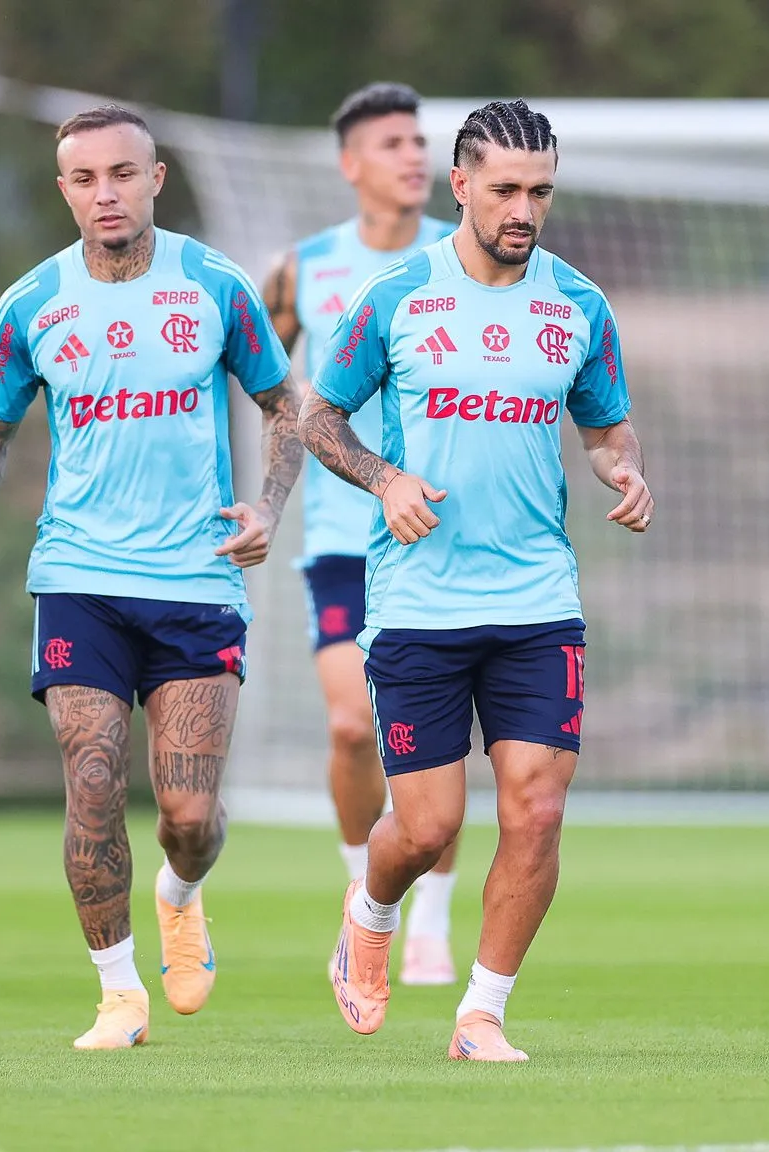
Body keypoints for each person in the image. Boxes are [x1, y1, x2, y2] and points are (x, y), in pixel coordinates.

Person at [0, 103, 301, 1050]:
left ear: (156, 179)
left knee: (187, 813)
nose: (105, 192)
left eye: (122, 174)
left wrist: (267, 506)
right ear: (63, 189)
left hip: (195, 580)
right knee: (91, 779)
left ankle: (181, 893)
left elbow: (286, 404)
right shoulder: (35, 304)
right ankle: (117, 994)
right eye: (84, 178)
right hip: (80, 577)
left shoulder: (215, 287)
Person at [304, 99, 651, 1062]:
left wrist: (622, 469)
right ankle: (370, 913)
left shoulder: (579, 304)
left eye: (539, 191)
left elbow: (607, 427)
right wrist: (387, 478)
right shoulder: (394, 297)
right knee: (426, 825)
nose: (523, 208)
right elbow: (319, 421)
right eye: (504, 189)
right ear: (459, 186)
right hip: (420, 600)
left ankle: (481, 1013)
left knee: (537, 808)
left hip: (539, 599)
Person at [259, 81, 460, 986]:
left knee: (438, 741)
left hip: (438, 536)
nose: (412, 156)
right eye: (392, 143)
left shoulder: (463, 258)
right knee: (350, 728)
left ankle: (432, 924)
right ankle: (362, 893)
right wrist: (269, 482)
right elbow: (263, 373)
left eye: (419, 142)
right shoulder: (302, 268)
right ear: (351, 165)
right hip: (344, 536)